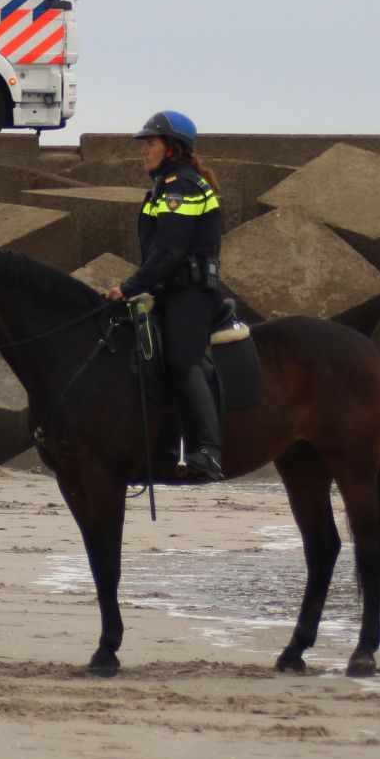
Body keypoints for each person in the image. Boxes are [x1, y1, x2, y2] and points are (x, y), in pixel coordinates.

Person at [104, 111, 225, 483]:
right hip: (170, 294)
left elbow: (169, 253)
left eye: (150, 144)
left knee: (179, 358)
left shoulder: (181, 187)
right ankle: (166, 445)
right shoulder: (164, 186)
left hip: (191, 295)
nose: (144, 151)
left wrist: (127, 287)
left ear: (172, 149)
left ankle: (208, 450)